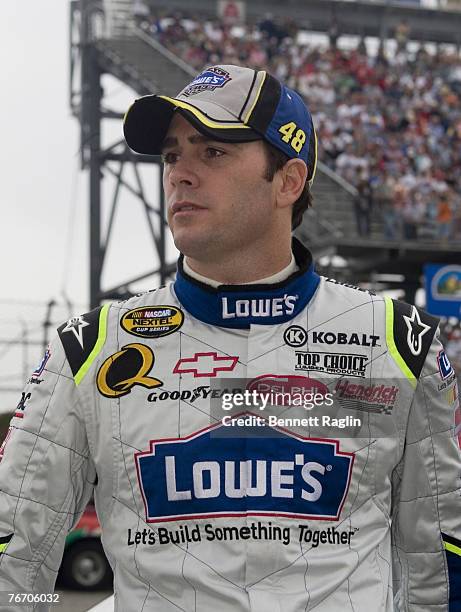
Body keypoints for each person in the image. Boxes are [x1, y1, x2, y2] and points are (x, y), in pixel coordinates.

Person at [0, 64, 460, 612]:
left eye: (212, 152)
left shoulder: (399, 343)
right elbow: (15, 562)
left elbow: (439, 567)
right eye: (173, 155)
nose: (179, 175)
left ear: (288, 181)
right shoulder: (91, 349)